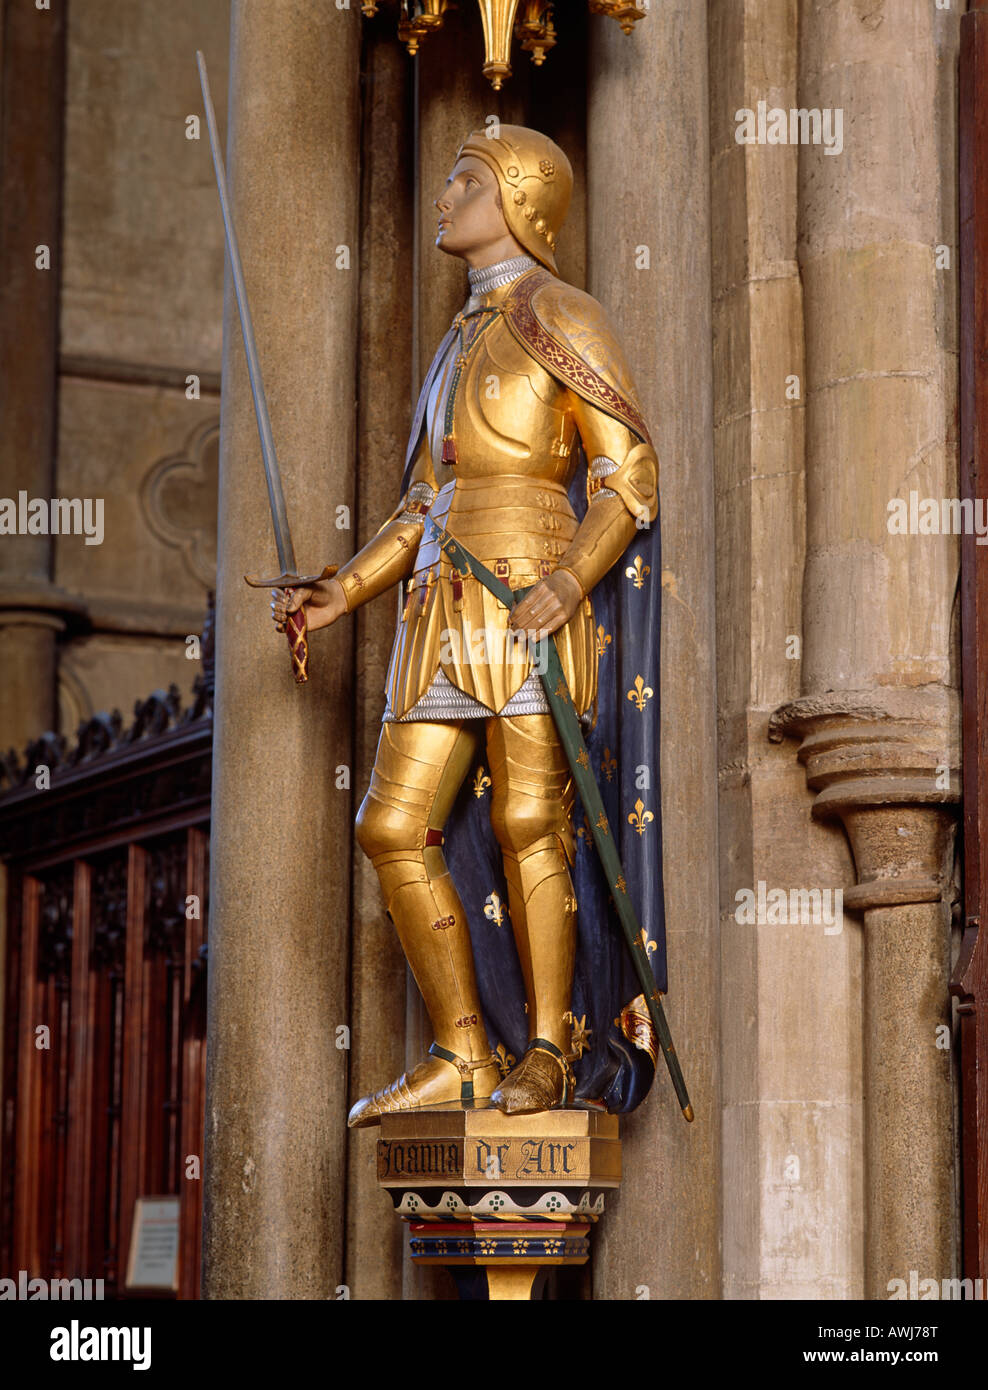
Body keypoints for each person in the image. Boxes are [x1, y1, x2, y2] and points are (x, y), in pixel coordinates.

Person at [270, 125, 662, 1125]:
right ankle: (462, 1052)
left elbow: (628, 476)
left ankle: (548, 1049)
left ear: (520, 199)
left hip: (525, 580)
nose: (443, 197)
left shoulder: (564, 316)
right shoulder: (453, 340)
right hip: (436, 600)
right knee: (392, 825)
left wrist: (571, 582)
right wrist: (340, 591)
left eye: (464, 181)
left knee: (531, 818)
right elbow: (419, 504)